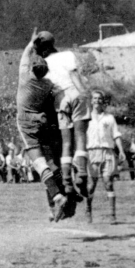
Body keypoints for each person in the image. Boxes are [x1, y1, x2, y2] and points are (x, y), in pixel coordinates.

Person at [15, 29, 75, 222]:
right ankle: (65, 194)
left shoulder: (25, 76)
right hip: (44, 121)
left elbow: (26, 54)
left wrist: (31, 42)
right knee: (51, 162)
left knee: (40, 164)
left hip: (26, 121)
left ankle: (57, 196)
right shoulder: (48, 84)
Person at [41, 33, 91, 200]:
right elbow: (74, 75)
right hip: (74, 92)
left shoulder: (44, 64)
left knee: (67, 143)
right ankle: (82, 173)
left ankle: (68, 182)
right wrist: (84, 94)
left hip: (60, 99)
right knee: (80, 136)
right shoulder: (67, 55)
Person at [84, 90, 126, 224]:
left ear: (103, 101)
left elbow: (116, 135)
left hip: (107, 152)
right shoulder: (86, 117)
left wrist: (121, 150)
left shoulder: (109, 117)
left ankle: (112, 215)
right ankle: (88, 210)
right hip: (92, 153)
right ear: (91, 101)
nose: (97, 101)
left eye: (99, 98)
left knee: (108, 183)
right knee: (91, 186)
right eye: (94, 98)